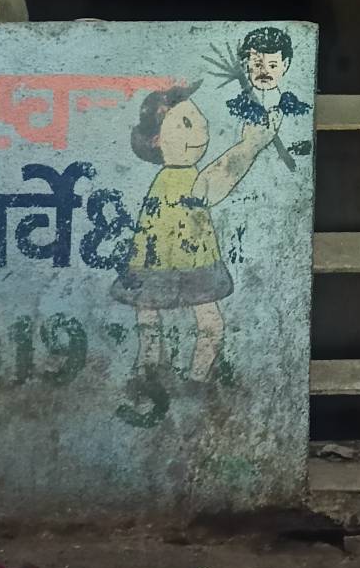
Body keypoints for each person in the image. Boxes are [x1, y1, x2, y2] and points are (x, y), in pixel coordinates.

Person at [110, 82, 277, 381]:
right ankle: (194, 378)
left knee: (150, 318)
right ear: (157, 140)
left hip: (156, 263)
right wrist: (250, 145)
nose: (201, 130)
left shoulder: (166, 181)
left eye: (199, 121)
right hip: (189, 263)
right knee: (208, 323)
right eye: (187, 123)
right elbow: (220, 177)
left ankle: (153, 370)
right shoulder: (183, 181)